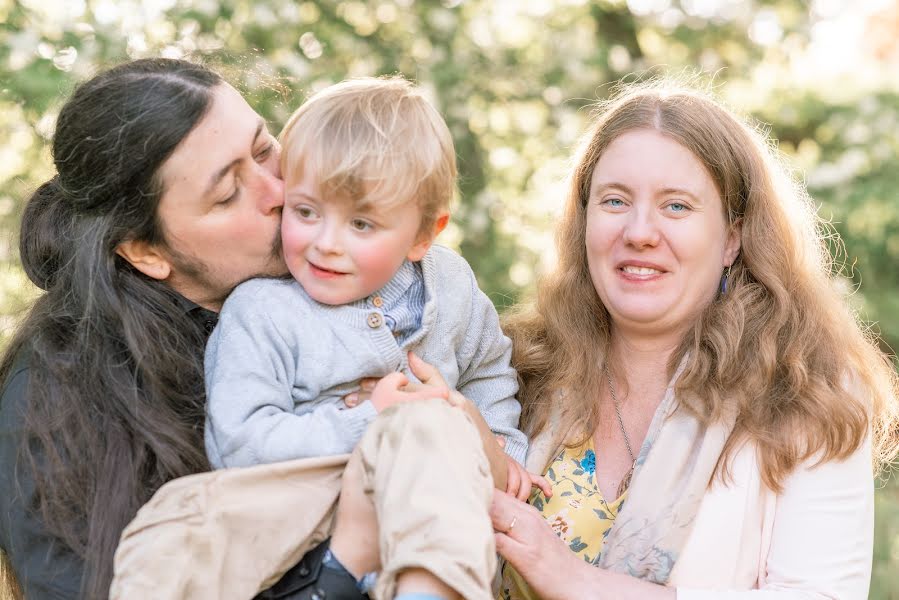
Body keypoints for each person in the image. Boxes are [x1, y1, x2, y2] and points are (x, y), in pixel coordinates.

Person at [488, 81, 899, 598]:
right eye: (614, 201)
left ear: (732, 237)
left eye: (676, 207)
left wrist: (578, 582)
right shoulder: (509, 368)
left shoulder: (807, 393)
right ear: (584, 222)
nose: (639, 231)